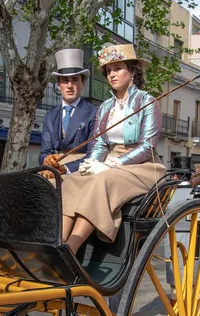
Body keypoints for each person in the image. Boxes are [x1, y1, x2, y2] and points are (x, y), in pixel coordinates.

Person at [49, 43, 166, 255]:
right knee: (72, 180)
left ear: (132, 70)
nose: (112, 74)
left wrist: (113, 164)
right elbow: (101, 143)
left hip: (143, 165)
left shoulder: (147, 101)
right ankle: (57, 244)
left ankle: (70, 250)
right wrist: (91, 163)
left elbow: (147, 146)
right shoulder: (105, 107)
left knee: (101, 181)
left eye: (118, 68)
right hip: (109, 161)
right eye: (109, 70)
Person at [39, 49, 97, 178]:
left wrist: (66, 168)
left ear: (83, 84)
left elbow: (92, 155)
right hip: (53, 169)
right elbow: (45, 151)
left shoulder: (94, 112)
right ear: (59, 85)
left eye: (75, 80)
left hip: (80, 170)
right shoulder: (50, 116)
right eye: (65, 80)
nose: (69, 86)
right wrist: (47, 160)